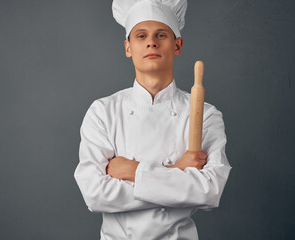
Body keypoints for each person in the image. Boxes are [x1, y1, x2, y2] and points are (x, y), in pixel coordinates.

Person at [74, 0, 232, 239]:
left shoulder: (205, 114)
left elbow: (209, 191)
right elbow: (95, 194)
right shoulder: (103, 112)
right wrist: (176, 170)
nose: (151, 42)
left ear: (177, 45)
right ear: (128, 47)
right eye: (140, 35)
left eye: (161, 34)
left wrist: (131, 170)